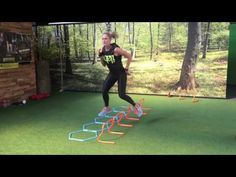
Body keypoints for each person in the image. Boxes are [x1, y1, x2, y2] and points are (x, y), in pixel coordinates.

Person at [98, 31, 142, 117]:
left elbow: (129, 56)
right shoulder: (102, 50)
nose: (104, 40)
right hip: (112, 74)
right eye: (102, 39)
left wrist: (126, 68)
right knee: (104, 90)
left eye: (106, 38)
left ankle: (136, 106)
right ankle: (107, 108)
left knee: (121, 95)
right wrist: (100, 56)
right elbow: (104, 64)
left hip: (121, 73)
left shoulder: (116, 49)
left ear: (110, 39)